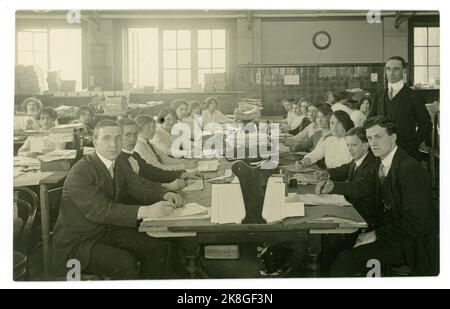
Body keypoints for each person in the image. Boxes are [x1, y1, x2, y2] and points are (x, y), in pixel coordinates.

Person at [52, 120, 184, 279]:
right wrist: (146, 210)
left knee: (158, 249)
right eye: (106, 138)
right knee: (125, 263)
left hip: (105, 231)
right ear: (95, 141)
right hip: (78, 243)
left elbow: (138, 185)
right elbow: (101, 210)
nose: (114, 144)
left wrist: (164, 193)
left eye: (118, 138)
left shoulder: (118, 163)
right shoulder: (80, 172)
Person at [329, 116, 438, 277]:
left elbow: (418, 223)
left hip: (411, 244)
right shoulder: (382, 162)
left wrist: (375, 234)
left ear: (393, 138)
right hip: (390, 231)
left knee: (346, 261)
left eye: (378, 137)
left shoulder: (409, 169)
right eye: (370, 138)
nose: (373, 143)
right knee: (335, 245)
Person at [368, 56, 432, 161]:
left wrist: (411, 144)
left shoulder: (414, 96)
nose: (391, 73)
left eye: (396, 69)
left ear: (403, 71)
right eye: (388, 69)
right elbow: (369, 122)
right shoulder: (379, 95)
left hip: (407, 153)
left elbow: (426, 126)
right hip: (381, 154)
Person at [315, 127, 380, 228]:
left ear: (365, 145)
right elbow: (344, 170)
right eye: (348, 145)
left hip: (364, 216)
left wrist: (334, 187)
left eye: (354, 145)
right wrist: (327, 173)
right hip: (354, 208)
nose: (349, 149)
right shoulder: (358, 159)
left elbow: (359, 186)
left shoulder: (373, 163)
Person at [116, 118, 201, 192]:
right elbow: (137, 186)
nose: (132, 139)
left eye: (135, 134)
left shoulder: (134, 155)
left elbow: (153, 172)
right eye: (128, 135)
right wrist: (166, 186)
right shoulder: (122, 157)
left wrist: (182, 174)